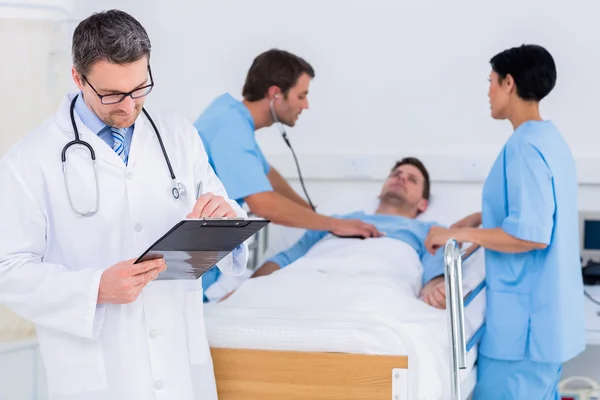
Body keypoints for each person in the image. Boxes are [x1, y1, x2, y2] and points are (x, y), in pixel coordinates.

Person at [0, 10, 248, 400]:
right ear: (78, 78)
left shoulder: (178, 136)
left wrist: (226, 218)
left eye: (140, 88)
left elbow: (224, 211)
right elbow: (8, 270)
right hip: (97, 370)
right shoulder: (30, 160)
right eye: (113, 94)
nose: (130, 106)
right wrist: (94, 288)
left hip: (179, 363)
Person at [424, 44, 586, 399]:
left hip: (523, 334)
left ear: (509, 83)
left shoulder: (524, 147)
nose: (488, 92)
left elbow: (533, 235)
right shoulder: (549, 139)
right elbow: (540, 208)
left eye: (491, 82)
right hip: (546, 323)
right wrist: (484, 217)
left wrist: (460, 233)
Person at [193, 48, 382, 297]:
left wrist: (311, 213)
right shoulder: (231, 129)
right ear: (275, 95)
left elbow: (268, 174)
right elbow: (263, 204)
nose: (306, 105)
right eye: (301, 95)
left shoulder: (229, 113)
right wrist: (334, 224)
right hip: (192, 249)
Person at [218, 157, 477, 304]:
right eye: (396, 174)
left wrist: (436, 290)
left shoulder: (427, 229)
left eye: (412, 179)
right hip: (303, 281)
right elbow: (287, 259)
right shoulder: (336, 221)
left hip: (375, 285)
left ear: (423, 203)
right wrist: (246, 290)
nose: (401, 178)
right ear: (382, 189)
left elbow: (434, 271)